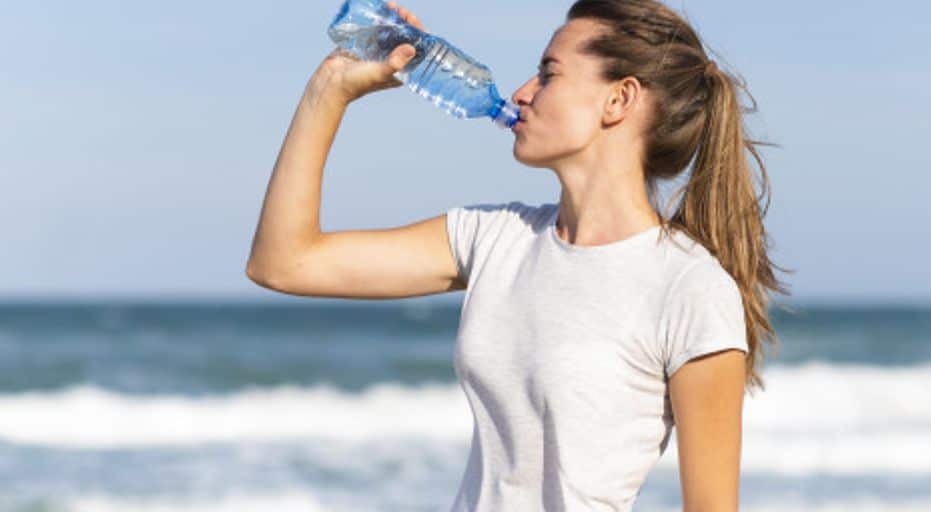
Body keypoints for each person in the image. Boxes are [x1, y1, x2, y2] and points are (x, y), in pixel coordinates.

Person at [246, 0, 790, 510]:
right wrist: (329, 92)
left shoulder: (688, 288)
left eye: (549, 74)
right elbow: (283, 262)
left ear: (618, 99)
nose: (523, 92)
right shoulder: (494, 238)